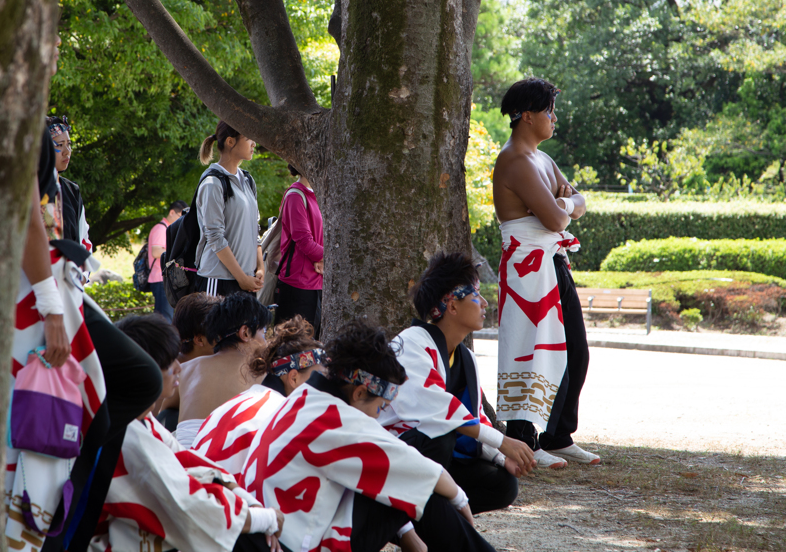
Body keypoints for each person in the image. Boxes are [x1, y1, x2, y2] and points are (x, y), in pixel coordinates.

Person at [5, 133, 163, 552]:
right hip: (32, 294)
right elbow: (25, 210)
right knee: (125, 389)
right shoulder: (10, 108)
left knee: (98, 413)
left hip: (38, 287)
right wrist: (50, 304)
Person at [241, 321, 499, 552]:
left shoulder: (302, 397)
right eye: (380, 407)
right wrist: (461, 500)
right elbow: (429, 474)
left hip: (277, 532)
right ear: (360, 393)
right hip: (296, 542)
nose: (378, 417)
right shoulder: (338, 421)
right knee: (414, 484)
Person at [92, 313, 286, 552]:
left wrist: (246, 501)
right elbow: (191, 509)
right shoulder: (126, 437)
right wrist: (265, 518)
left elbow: (188, 459)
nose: (178, 368)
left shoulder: (140, 419)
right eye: (167, 362)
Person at [490, 77, 598, 468]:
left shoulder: (542, 159)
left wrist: (564, 204)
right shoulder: (515, 160)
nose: (554, 118)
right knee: (529, 349)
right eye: (550, 111)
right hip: (526, 269)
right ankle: (524, 438)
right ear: (529, 116)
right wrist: (563, 204)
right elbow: (556, 217)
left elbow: (579, 201)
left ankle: (558, 435)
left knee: (574, 351)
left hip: (552, 262)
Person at [382, 252, 536, 516]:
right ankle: (412, 520)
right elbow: (434, 409)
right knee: (439, 436)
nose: (485, 303)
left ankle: (435, 518)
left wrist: (501, 456)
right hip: (391, 458)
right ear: (451, 305)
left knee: (503, 484)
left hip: (433, 459)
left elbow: (475, 417)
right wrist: (502, 442)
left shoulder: (467, 359)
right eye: (476, 294)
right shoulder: (411, 344)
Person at [192, 316, 324, 476]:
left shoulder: (237, 401)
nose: (323, 389)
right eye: (319, 378)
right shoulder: (282, 417)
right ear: (294, 378)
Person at [174, 292, 271, 448]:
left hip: (182, 459)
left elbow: (162, 415)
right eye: (263, 333)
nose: (265, 342)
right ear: (245, 333)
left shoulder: (185, 369)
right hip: (225, 463)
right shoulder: (261, 372)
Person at [195, 121, 264, 297]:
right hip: (218, 281)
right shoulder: (213, 183)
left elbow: (254, 229)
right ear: (230, 142)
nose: (254, 144)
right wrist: (241, 278)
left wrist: (260, 268)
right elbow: (215, 237)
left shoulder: (248, 180)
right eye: (249, 138)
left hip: (247, 281)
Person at [156, 291, 222, 431]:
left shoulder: (204, 363)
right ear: (199, 340)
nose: (228, 339)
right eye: (221, 333)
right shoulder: (168, 369)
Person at [273, 164, 324, 337]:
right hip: (298, 285)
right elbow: (304, 241)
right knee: (293, 347)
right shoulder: (295, 195)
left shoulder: (319, 194)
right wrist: (326, 259)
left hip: (318, 282)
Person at [46, 114, 91, 251]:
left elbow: (83, 239)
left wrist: (81, 271)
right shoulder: (29, 189)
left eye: (69, 144)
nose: (67, 152)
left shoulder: (72, 191)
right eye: (60, 145)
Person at [147, 200, 186, 318]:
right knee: (165, 317)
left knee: (166, 316)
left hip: (163, 277)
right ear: (172, 212)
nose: (182, 219)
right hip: (160, 278)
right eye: (181, 216)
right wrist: (176, 252)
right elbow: (156, 252)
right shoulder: (161, 229)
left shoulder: (168, 228)